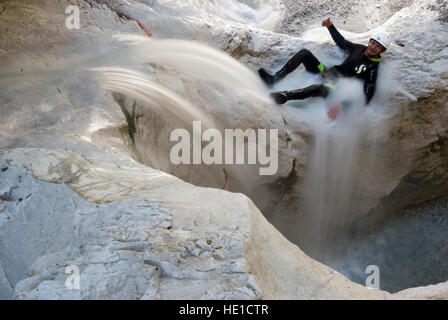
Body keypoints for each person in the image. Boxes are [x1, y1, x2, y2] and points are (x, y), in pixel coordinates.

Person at [258, 17, 390, 119]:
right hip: (325, 72)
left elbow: (367, 96)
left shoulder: (372, 68)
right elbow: (341, 42)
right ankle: (275, 78)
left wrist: (342, 103)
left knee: (319, 88)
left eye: (377, 46)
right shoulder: (359, 48)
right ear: (370, 41)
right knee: (304, 54)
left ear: (382, 50)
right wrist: (330, 26)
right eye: (373, 43)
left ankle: (284, 96)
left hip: (334, 89)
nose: (373, 47)